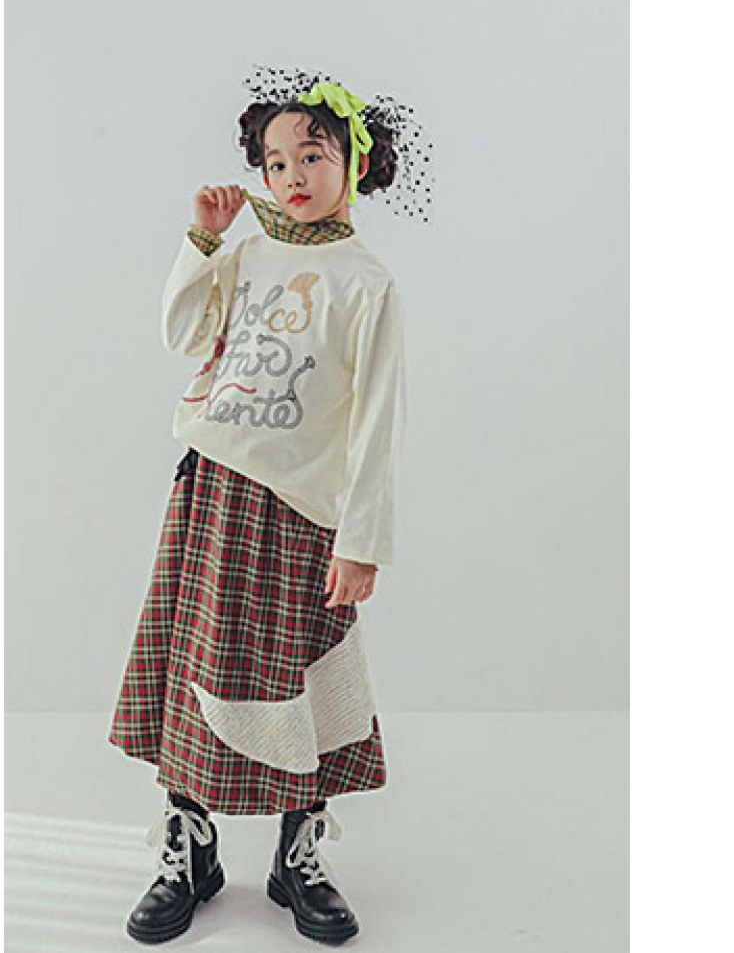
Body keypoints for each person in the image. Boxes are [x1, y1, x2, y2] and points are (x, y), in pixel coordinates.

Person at [108, 64, 434, 946]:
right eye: (276, 161)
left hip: (300, 510)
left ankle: (299, 853)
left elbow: (377, 421)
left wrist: (362, 539)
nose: (291, 175)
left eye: (313, 156)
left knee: (304, 676)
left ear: (353, 165)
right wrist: (204, 241)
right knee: (197, 666)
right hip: (213, 490)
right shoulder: (247, 250)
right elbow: (183, 333)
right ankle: (190, 845)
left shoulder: (368, 284)